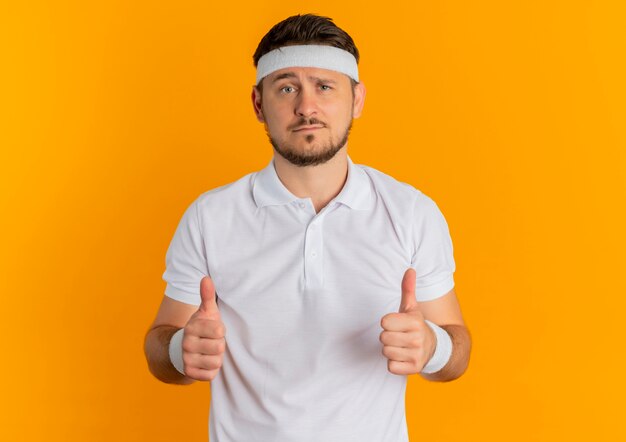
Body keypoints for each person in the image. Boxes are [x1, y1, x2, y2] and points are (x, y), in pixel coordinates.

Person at [144, 13, 472, 442]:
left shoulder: (411, 212)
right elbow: (160, 348)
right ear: (259, 104)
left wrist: (432, 347)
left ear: (356, 99)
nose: (306, 107)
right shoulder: (211, 216)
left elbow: (456, 349)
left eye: (324, 86)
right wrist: (178, 349)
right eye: (286, 87)